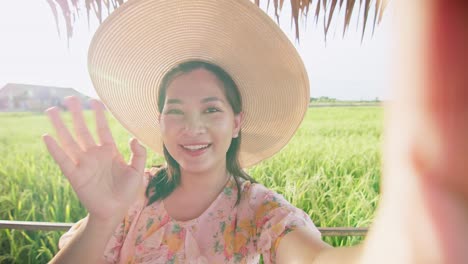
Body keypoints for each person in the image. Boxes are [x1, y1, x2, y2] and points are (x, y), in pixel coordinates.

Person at [44, 0, 468, 263]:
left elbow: (314, 259)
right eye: (176, 111)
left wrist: (404, 249)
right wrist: (102, 218)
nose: (193, 127)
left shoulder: (259, 212)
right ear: (160, 122)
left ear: (237, 122)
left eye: (212, 109)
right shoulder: (132, 194)